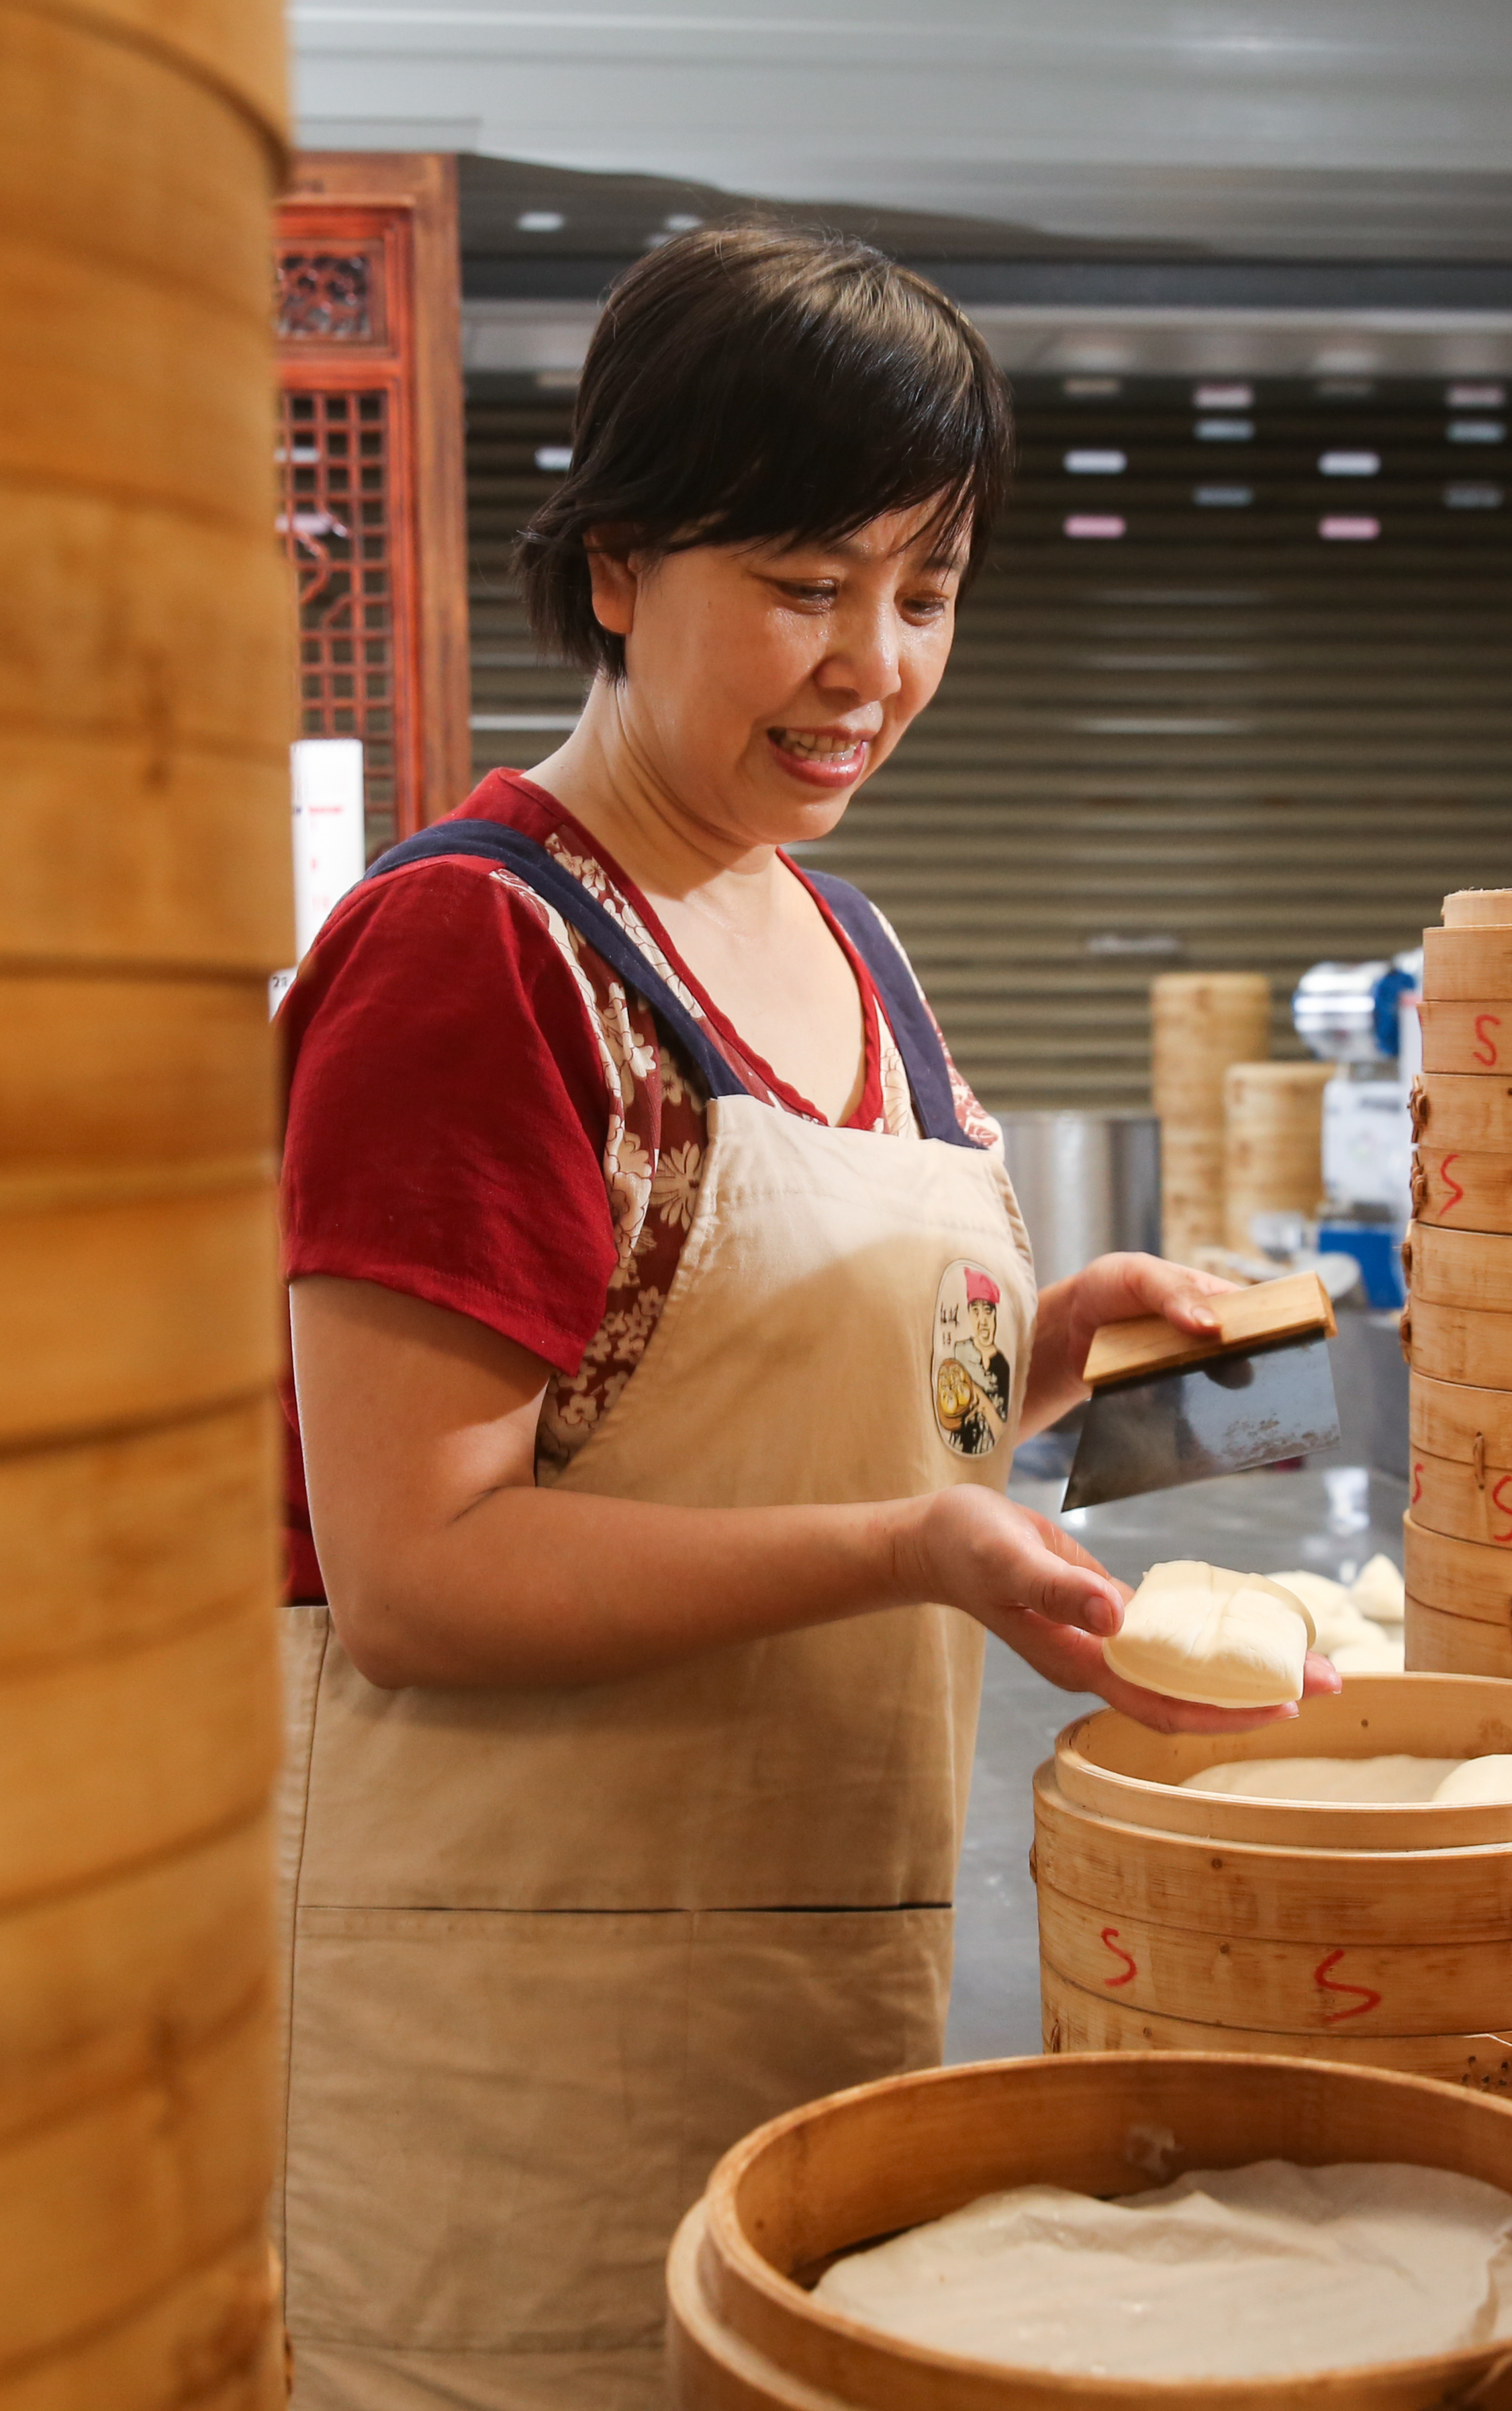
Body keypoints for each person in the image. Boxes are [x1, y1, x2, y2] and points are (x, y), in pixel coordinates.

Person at [270, 225, 1336, 2411]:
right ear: (615, 566)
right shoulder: (475, 950)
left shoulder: (854, 949)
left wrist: (1057, 1352)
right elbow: (418, 1572)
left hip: (816, 1973)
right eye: (803, 582)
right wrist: (911, 1546)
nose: (874, 663)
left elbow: (748, 1410)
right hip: (505, 2038)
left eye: (927, 592)